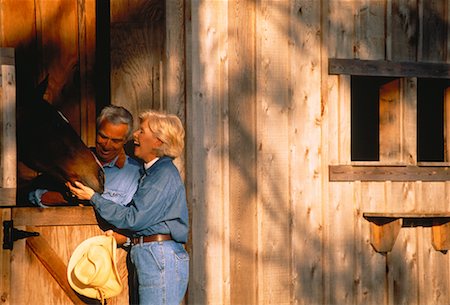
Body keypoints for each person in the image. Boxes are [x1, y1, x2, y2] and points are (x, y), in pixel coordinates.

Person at [67, 109, 189, 305]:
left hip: (158, 256)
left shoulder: (162, 175)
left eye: (142, 131)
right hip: (151, 254)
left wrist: (93, 197)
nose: (135, 135)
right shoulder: (153, 173)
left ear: (158, 141)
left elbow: (134, 219)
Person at [29, 105, 141, 207]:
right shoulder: (73, 161)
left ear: (125, 141)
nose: (107, 146)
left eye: (115, 141)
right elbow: (32, 196)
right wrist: (66, 198)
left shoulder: (134, 174)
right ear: (96, 132)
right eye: (103, 137)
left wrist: (92, 199)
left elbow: (129, 216)